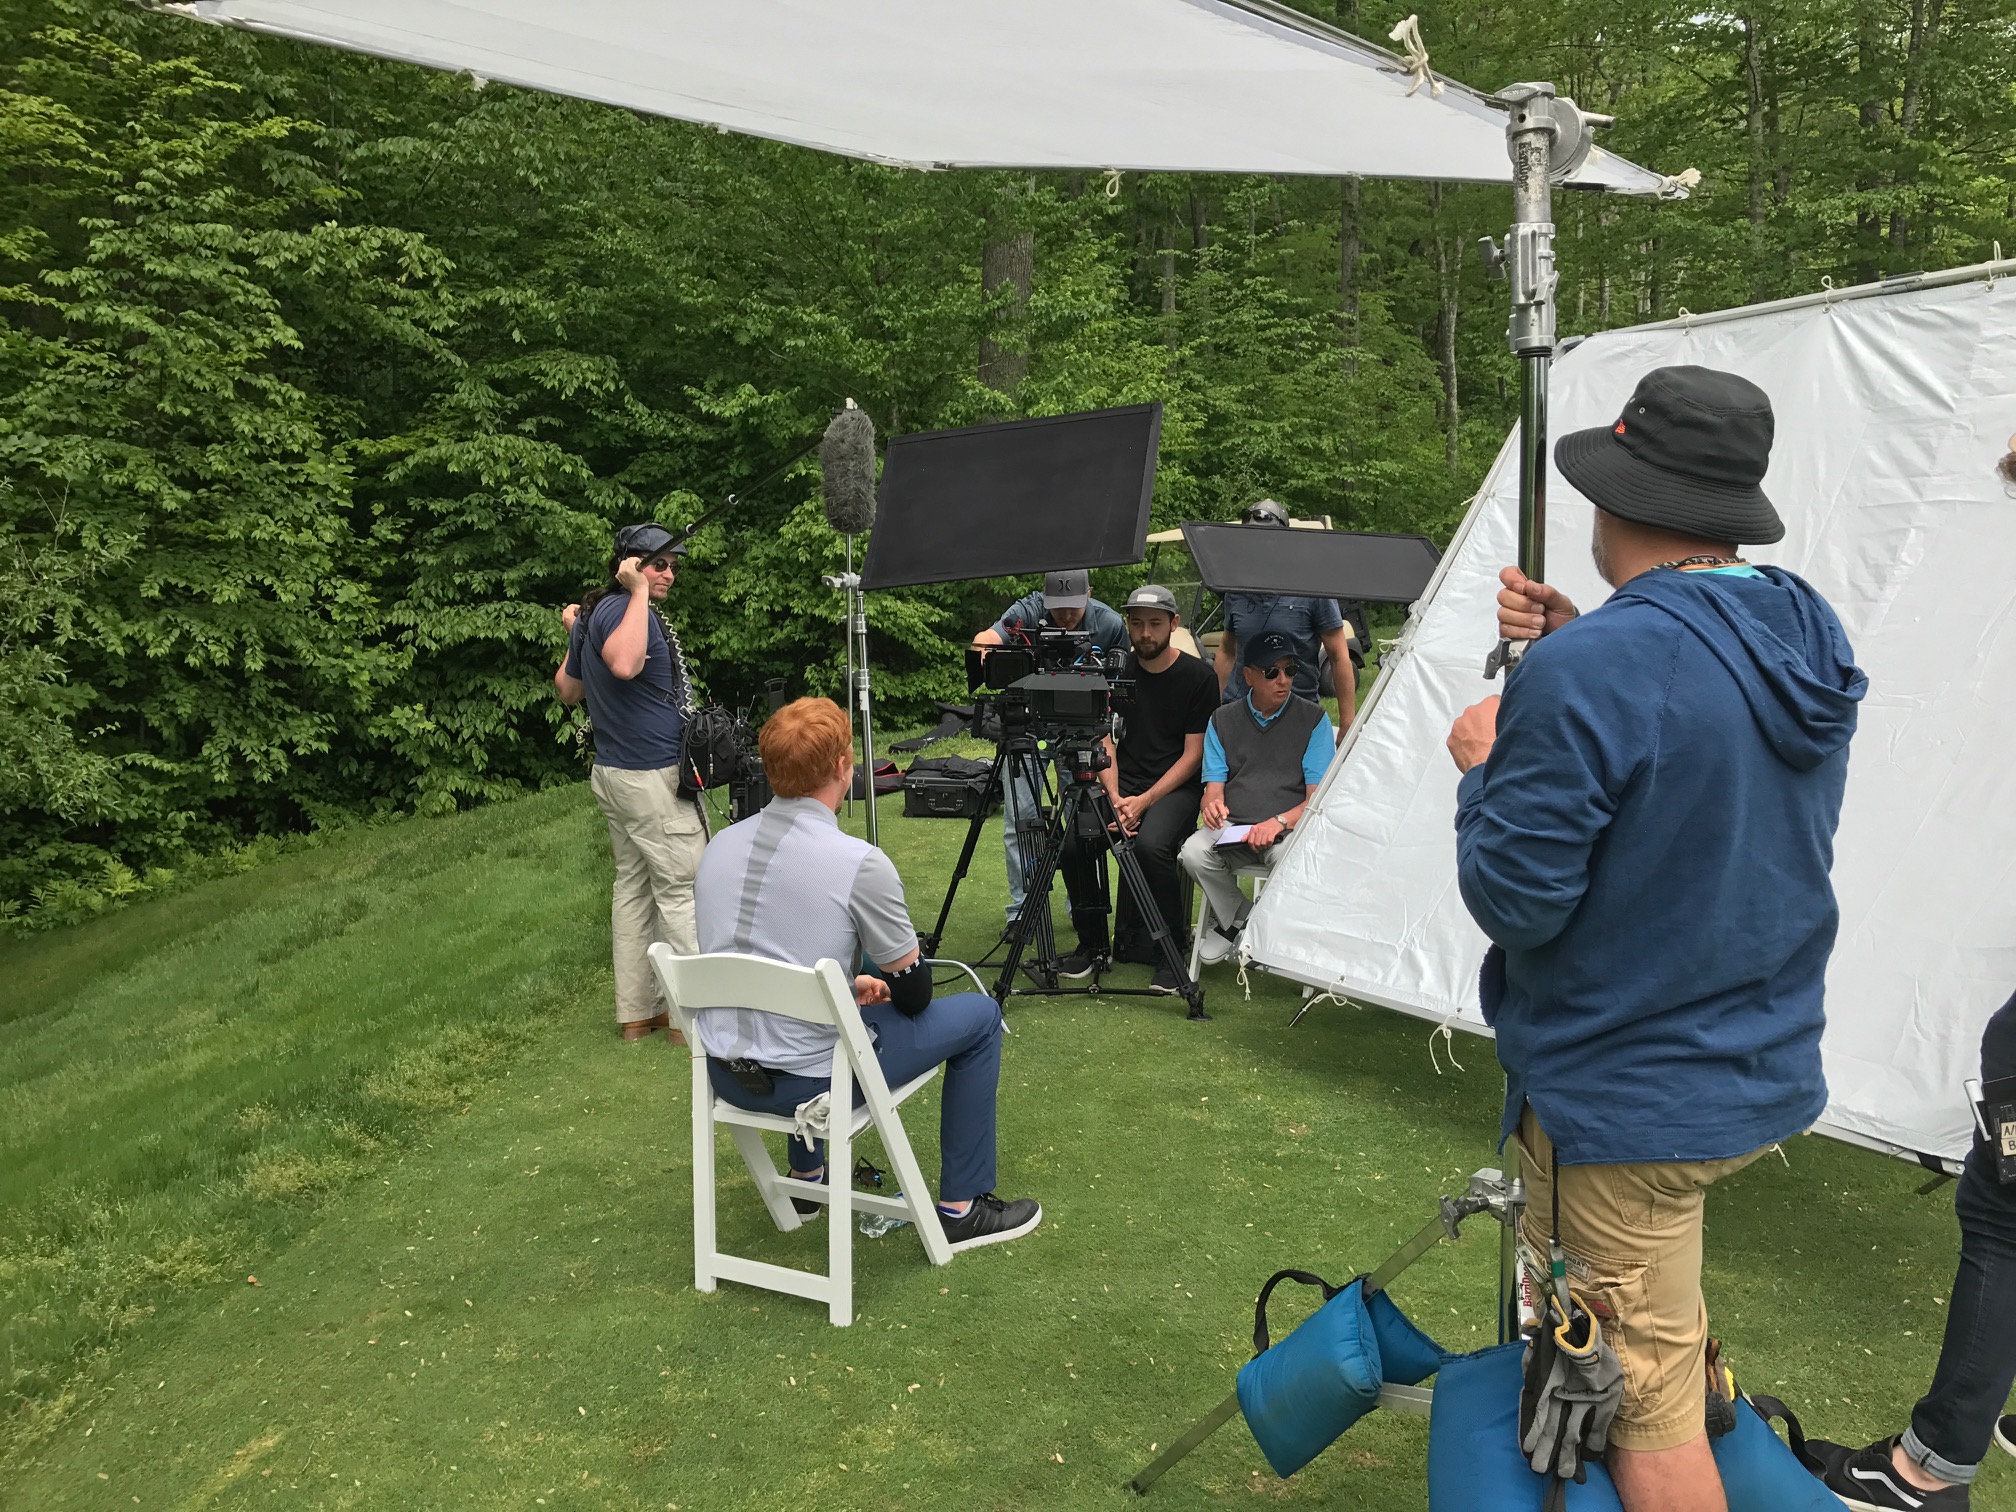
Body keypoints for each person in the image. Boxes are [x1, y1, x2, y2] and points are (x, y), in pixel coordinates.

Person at [1445, 365, 1867, 1512]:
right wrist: (1584, 642)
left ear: (1615, 498)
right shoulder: (1797, 628)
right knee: (1656, 1341)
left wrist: (1484, 767)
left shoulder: (1596, 670)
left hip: (1624, 1092)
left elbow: (1516, 901)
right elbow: (1686, 734)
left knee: (1641, 1401)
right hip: (1747, 1055)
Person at [688, 697, 1042, 1251]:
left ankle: (807, 1181)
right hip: (810, 1084)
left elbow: (757, 952)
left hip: (725, 1073)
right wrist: (870, 984)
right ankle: (962, 1208)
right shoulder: (857, 861)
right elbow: (916, 995)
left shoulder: (718, 846)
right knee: (979, 1015)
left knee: (823, 1021)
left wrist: (842, 987)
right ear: (843, 767)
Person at [555, 523, 708, 1042]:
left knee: (634, 888)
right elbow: (622, 665)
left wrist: (576, 631)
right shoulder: (626, 608)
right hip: (649, 776)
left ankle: (639, 1015)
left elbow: (568, 689)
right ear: (628, 564)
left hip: (614, 774)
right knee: (683, 888)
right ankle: (692, 1019)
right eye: (658, 564)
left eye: (672, 566)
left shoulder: (594, 613)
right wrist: (638, 592)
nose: (668, 573)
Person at [1063, 584, 1218, 993]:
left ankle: (1171, 951)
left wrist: (1144, 802)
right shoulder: (1115, 672)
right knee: (1074, 843)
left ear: (1174, 624)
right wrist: (1115, 798)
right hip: (1121, 783)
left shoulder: (1199, 677)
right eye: (1137, 624)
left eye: (1154, 623)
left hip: (1175, 787)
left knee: (1151, 846)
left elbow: (1193, 755)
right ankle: (1092, 943)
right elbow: (1105, 740)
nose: (1145, 633)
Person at [972, 569, 1129, 941]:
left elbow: (1120, 683)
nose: (1066, 616)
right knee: (1020, 819)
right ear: (1045, 600)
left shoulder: (1110, 624)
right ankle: (1022, 911)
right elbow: (985, 639)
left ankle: (1081, 906)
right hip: (1027, 729)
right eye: (1058, 608)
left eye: (1074, 607)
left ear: (1088, 594)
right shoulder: (1027, 612)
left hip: (1081, 730)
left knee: (1080, 821)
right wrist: (986, 657)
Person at [1181, 629, 1335, 965]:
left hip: (1287, 829)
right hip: (1234, 828)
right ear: (1248, 675)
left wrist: (1277, 822)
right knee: (1192, 853)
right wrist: (1212, 806)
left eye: (1290, 670)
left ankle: (1247, 928)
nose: (1283, 680)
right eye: (1271, 672)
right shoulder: (1222, 719)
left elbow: (1317, 800)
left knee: (1291, 860)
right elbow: (1213, 789)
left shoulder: (1314, 720)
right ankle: (1246, 918)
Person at [1212, 499, 1359, 732]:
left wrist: (1347, 723)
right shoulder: (1236, 589)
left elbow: (1339, 656)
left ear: (1284, 541)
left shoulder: (1311, 588)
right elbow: (1228, 651)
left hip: (1296, 715)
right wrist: (1213, 709)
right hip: (1240, 714)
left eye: (1267, 538)